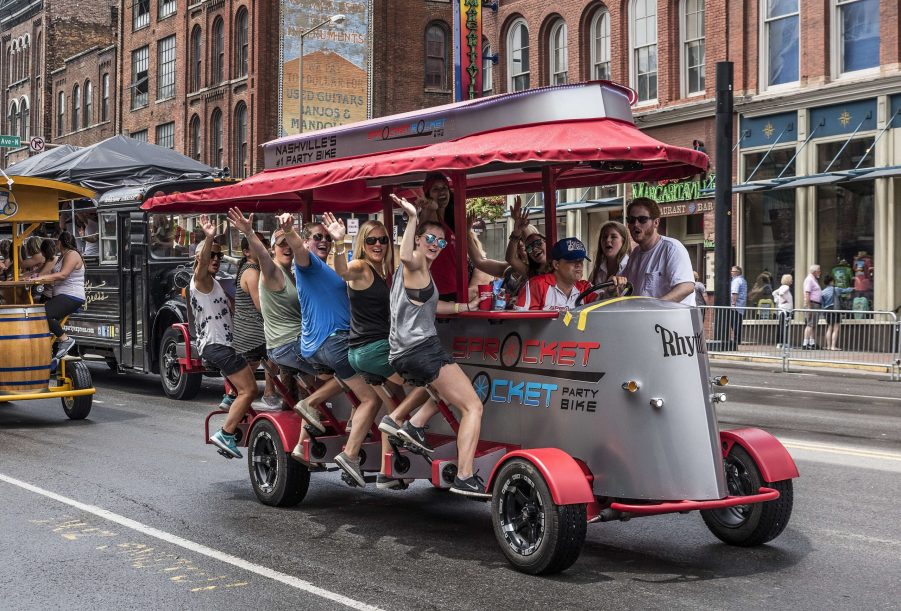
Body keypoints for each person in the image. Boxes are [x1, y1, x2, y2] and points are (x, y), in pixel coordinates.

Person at [387, 193, 487, 498]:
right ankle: (465, 476)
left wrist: (463, 308)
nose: (435, 245)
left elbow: (430, 307)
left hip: (403, 353)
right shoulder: (414, 263)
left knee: (444, 391)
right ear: (418, 239)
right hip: (421, 349)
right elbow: (406, 256)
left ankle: (414, 426)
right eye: (430, 238)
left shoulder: (422, 273)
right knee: (473, 405)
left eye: (441, 242)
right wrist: (412, 217)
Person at [323, 212, 430, 490]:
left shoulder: (382, 272)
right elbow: (342, 271)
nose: (378, 244)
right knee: (427, 384)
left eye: (383, 240)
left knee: (391, 401)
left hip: (364, 350)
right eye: (372, 240)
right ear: (363, 242)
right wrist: (339, 243)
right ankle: (395, 427)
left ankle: (383, 469)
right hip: (373, 349)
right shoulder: (360, 267)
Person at [280, 213, 382, 488]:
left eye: (326, 237)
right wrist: (289, 231)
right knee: (370, 398)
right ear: (307, 241)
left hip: (322, 345)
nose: (323, 241)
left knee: (354, 374)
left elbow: (347, 272)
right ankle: (350, 454)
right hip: (332, 342)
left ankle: (310, 437)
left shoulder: (329, 267)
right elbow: (299, 251)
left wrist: (341, 242)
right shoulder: (309, 264)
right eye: (318, 237)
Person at [226, 209, 341, 440]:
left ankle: (304, 441)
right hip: (287, 344)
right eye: (281, 244)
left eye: (290, 242)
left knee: (314, 384)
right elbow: (263, 257)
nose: (287, 247)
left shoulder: (291, 274)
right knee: (344, 374)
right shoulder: (273, 272)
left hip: (295, 342)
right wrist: (249, 232)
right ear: (273, 249)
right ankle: (313, 413)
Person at [189, 216, 259, 459]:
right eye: (212, 256)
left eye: (220, 256)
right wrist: (209, 237)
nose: (216, 259)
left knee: (255, 356)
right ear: (201, 259)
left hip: (226, 344)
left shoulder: (216, 283)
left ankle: (230, 397)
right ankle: (226, 433)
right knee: (249, 390)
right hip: (217, 345)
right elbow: (202, 266)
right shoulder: (201, 281)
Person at [612, 198, 695, 304]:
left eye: (642, 219)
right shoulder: (635, 254)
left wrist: (654, 307)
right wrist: (614, 283)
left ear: (656, 222)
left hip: (672, 319)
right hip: (646, 319)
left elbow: (686, 287)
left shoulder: (672, 248)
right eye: (631, 220)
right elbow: (623, 286)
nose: (636, 224)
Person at [233, 233, 279, 408]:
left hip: (252, 329)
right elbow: (261, 306)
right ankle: (269, 391)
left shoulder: (256, 268)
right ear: (246, 251)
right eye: (256, 243)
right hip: (252, 331)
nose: (263, 246)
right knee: (278, 345)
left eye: (264, 242)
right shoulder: (251, 272)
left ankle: (233, 395)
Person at [30, 232, 85, 362]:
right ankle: (53, 358)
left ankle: (65, 339)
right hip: (62, 295)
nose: (56, 244)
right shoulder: (63, 256)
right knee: (40, 317)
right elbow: (55, 275)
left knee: (43, 313)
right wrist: (38, 277)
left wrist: (41, 277)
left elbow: (63, 275)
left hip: (71, 295)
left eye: (57, 242)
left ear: (60, 242)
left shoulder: (72, 254)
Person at [515, 238, 597, 311]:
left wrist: (609, 290)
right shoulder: (536, 285)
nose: (579, 265)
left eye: (581, 260)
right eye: (572, 260)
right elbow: (520, 321)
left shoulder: (586, 288)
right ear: (556, 264)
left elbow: (605, 300)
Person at [416, 172, 458, 299]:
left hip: (453, 285)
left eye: (444, 188)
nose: (442, 192)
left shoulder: (450, 219)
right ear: (428, 194)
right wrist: (430, 208)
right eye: (435, 189)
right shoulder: (428, 213)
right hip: (437, 289)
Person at [589, 221, 630, 285]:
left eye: (613, 237)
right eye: (604, 237)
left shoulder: (630, 266)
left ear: (623, 241)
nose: (608, 240)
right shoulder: (597, 271)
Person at [821, 274, 853, 351]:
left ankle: (828, 346)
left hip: (827, 310)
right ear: (831, 282)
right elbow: (847, 290)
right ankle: (833, 346)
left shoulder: (823, 292)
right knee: (836, 328)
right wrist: (854, 288)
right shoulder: (836, 289)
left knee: (829, 327)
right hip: (835, 309)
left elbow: (822, 304)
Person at [802, 264, 822, 350]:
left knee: (813, 324)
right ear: (815, 272)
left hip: (815, 304)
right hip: (812, 304)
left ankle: (812, 342)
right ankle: (805, 343)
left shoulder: (813, 279)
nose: (820, 272)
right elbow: (807, 293)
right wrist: (809, 307)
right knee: (810, 324)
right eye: (819, 270)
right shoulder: (809, 279)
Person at [729, 265, 748, 351]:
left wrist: (733, 304)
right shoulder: (743, 280)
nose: (731, 272)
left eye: (733, 271)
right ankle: (738, 340)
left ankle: (736, 341)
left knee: (734, 323)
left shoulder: (736, 281)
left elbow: (734, 293)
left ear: (737, 272)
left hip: (736, 306)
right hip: (741, 306)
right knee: (738, 323)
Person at [772, 274, 793, 349]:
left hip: (781, 310)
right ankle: (785, 343)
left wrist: (778, 300)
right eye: (791, 279)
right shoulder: (786, 287)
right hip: (786, 310)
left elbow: (774, 293)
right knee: (785, 327)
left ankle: (779, 343)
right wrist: (784, 300)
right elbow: (781, 293)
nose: (792, 281)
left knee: (781, 326)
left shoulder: (781, 287)